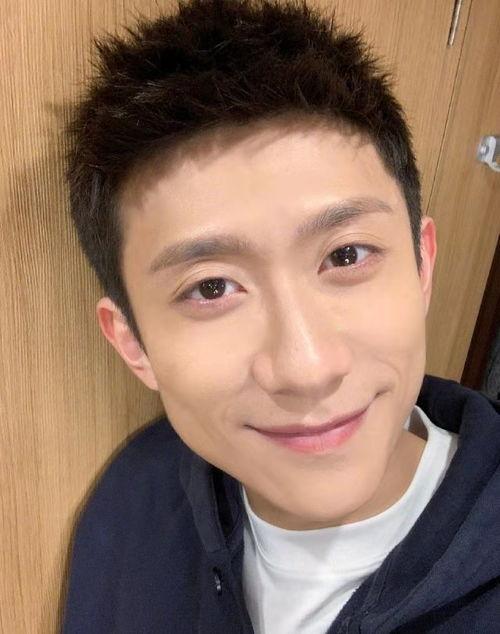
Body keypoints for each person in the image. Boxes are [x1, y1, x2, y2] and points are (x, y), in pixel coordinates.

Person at [61, 0, 500, 632]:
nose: (307, 368)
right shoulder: (132, 507)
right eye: (211, 287)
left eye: (346, 255)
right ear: (133, 344)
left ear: (422, 265)